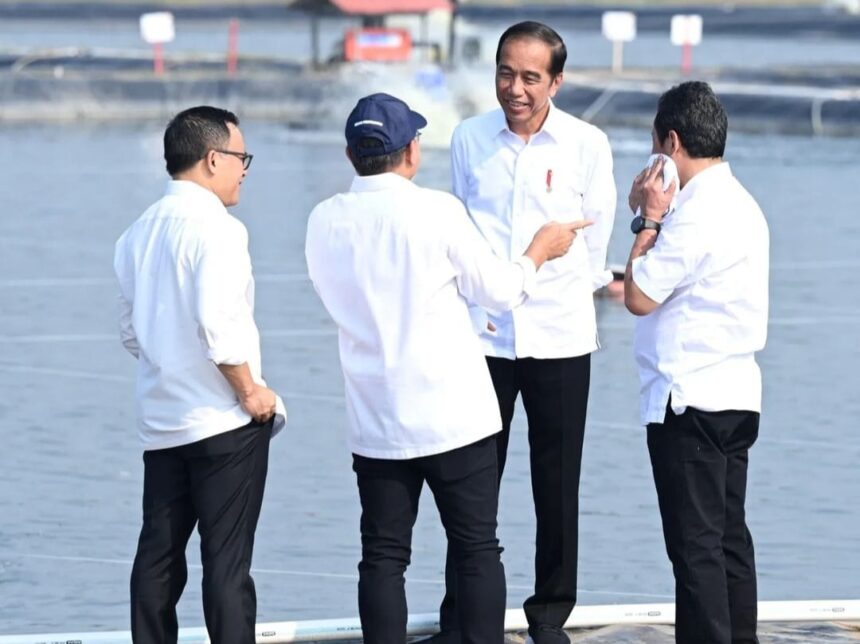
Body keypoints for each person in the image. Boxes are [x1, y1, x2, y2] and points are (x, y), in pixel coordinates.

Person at [304, 93, 590, 644]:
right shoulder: (436, 210)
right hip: (453, 415)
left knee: (383, 556)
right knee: (477, 546)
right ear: (412, 151)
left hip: (377, 416)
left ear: (349, 154)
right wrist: (538, 249)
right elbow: (502, 292)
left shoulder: (323, 221)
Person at [437, 21, 617, 644]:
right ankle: (461, 616)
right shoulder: (466, 138)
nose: (515, 88)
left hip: (561, 338)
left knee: (556, 484)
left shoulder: (587, 145)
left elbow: (595, 248)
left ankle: (549, 617)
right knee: (469, 483)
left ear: (556, 82)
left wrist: (551, 289)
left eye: (530, 78)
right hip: (482, 338)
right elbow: (457, 234)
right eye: (505, 73)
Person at [114, 105, 286, 644]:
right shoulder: (219, 228)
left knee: (158, 558)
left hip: (163, 419)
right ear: (213, 159)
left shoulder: (136, 232)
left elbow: (130, 333)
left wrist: (172, 365)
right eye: (241, 158)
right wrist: (251, 392)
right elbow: (219, 329)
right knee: (227, 565)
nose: (244, 170)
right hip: (221, 419)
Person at [624, 81, 769, 644]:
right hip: (736, 394)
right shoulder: (742, 203)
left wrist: (647, 218)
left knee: (696, 550)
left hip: (690, 399)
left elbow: (637, 294)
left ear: (672, 142)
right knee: (729, 538)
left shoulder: (693, 214)